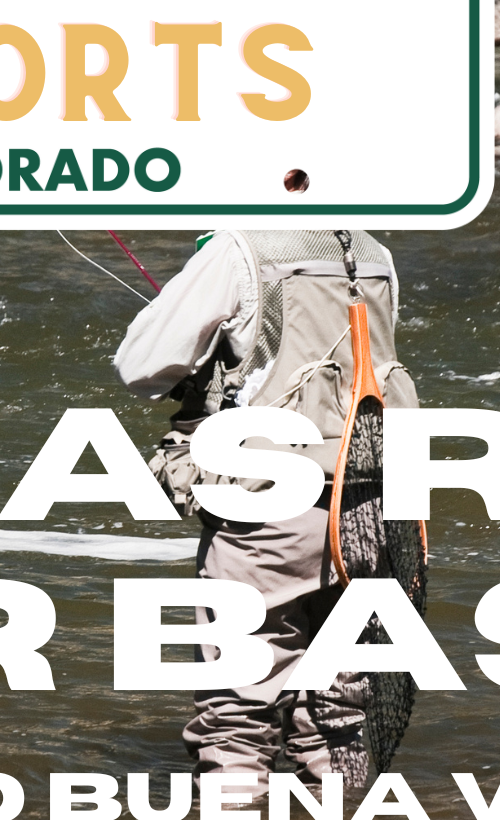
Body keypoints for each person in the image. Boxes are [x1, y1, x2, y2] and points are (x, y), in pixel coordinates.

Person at [113, 228, 419, 781]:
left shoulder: (239, 250)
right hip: (373, 513)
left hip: (269, 518)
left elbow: (140, 367)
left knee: (238, 717)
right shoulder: (373, 253)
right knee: (338, 720)